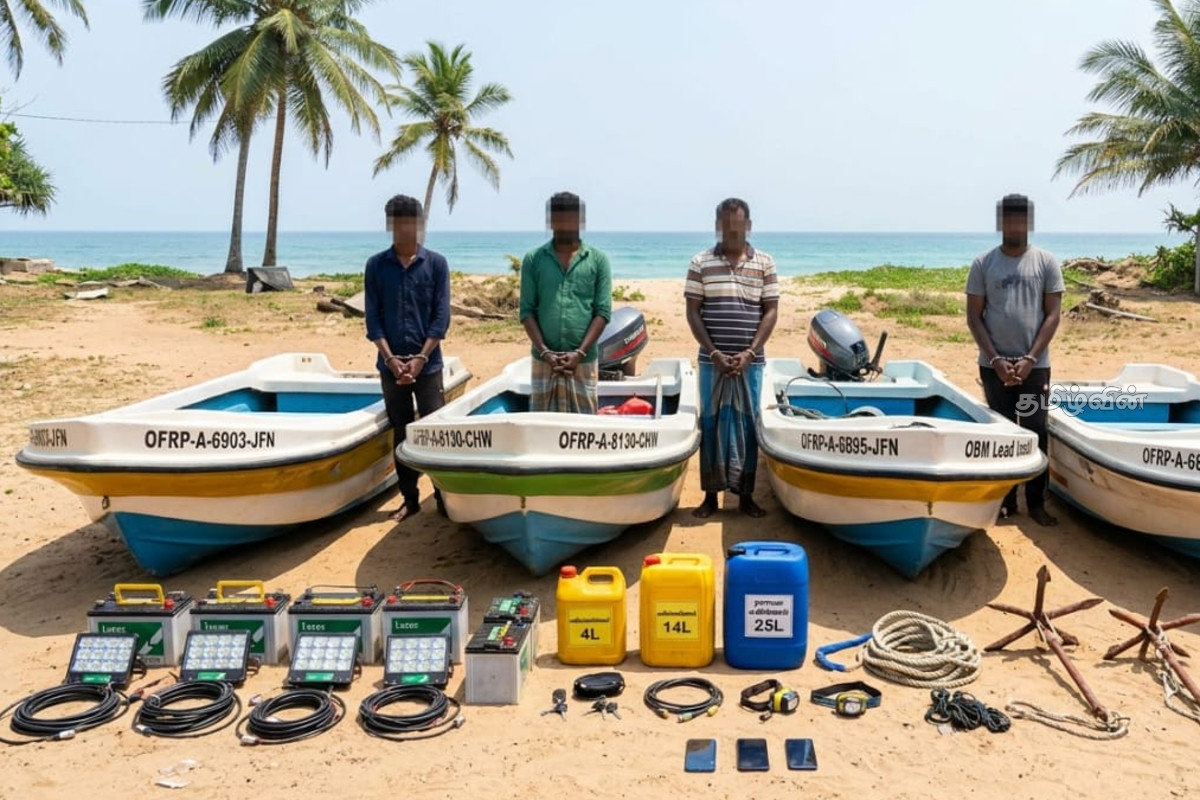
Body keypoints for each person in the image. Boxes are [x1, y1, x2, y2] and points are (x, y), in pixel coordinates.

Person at [966, 193, 1064, 527]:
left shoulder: (1046, 262)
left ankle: (1036, 502)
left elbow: (1052, 315)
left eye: (1021, 219)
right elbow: (974, 317)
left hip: (1034, 368)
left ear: (1029, 223)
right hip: (993, 366)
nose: (1015, 225)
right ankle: (1007, 502)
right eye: (1009, 218)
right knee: (1004, 434)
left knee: (1035, 432)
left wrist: (1029, 358)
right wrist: (995, 360)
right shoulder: (983, 264)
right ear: (1000, 223)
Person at [685, 198, 779, 518]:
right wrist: (714, 352)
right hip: (712, 362)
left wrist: (750, 353)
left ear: (748, 225)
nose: (732, 229)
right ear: (717, 225)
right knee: (710, 424)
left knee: (747, 427)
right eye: (726, 223)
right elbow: (693, 312)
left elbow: (770, 312)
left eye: (737, 223)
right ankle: (710, 497)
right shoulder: (700, 262)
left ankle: (746, 496)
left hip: (751, 362)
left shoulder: (765, 262)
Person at [364, 194, 451, 522]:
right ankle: (410, 499)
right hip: (390, 367)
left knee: (436, 434)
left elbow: (440, 319)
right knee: (401, 432)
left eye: (411, 222)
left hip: (429, 367)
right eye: (398, 223)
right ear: (390, 226)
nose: (405, 229)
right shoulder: (376, 266)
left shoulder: (437, 264)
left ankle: (444, 498)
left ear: (420, 224)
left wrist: (420, 359)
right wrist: (391, 360)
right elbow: (373, 320)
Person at [519, 192, 612, 413]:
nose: (564, 224)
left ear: (580, 220)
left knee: (584, 429)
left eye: (570, 218)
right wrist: (545, 352)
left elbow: (603, 312)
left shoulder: (598, 260)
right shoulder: (534, 259)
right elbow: (526, 311)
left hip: (584, 361)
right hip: (543, 361)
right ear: (550, 221)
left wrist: (579, 353)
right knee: (541, 428)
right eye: (558, 218)